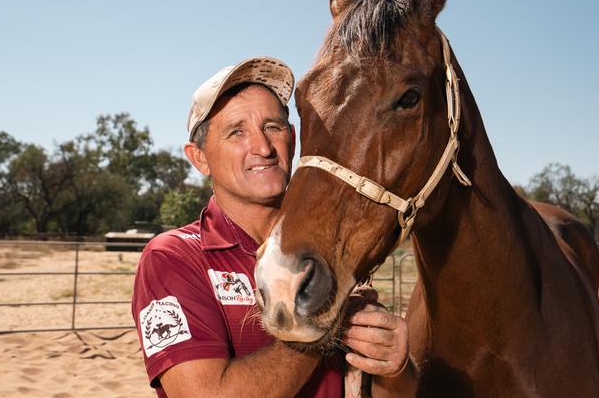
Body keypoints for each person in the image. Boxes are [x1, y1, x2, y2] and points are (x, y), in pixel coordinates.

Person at [131, 56, 416, 397]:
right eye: (237, 132)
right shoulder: (173, 258)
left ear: (293, 139)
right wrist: (324, 318)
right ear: (200, 158)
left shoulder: (332, 246)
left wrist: (396, 368)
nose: (263, 148)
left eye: (272, 127)